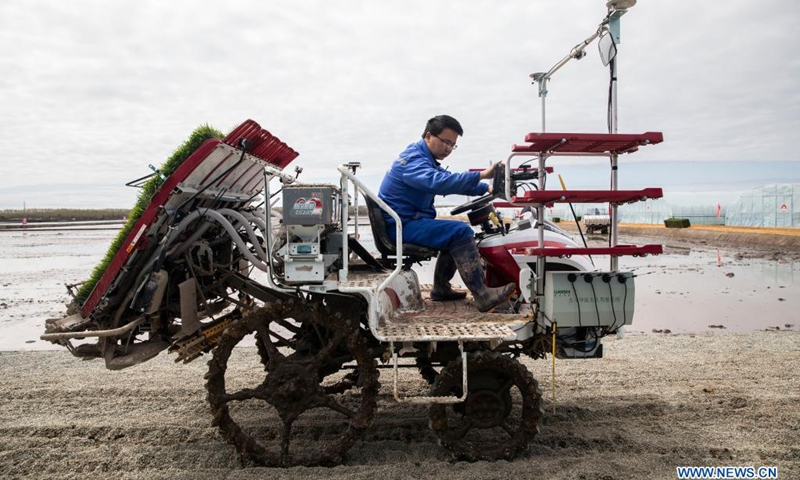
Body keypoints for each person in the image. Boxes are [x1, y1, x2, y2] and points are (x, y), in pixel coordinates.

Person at [378, 115, 515, 312]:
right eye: (446, 142)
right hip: (400, 227)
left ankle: (441, 289)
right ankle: (483, 295)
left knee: (451, 232)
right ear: (428, 136)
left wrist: (486, 188)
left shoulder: (423, 159)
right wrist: (482, 174)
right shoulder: (413, 160)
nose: (449, 149)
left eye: (453, 145)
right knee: (460, 232)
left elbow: (445, 179)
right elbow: (439, 182)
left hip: (406, 223)